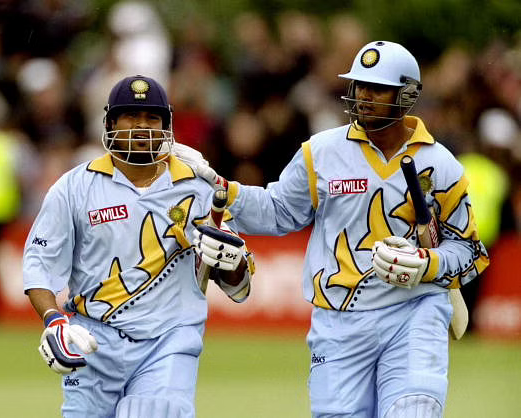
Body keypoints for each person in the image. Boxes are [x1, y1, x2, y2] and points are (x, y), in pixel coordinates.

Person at [185, 41, 489, 417]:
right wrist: (222, 190)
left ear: (406, 94)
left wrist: (425, 263)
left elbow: (469, 252)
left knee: (415, 409)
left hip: (414, 310)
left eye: (377, 88)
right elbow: (278, 211)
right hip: (339, 319)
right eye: (359, 85)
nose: (363, 95)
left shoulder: (440, 164)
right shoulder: (321, 152)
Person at [23, 75, 253, 418]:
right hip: (92, 340)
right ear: (110, 122)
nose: (141, 127)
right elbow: (39, 265)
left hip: (169, 339)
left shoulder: (199, 188)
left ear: (166, 127)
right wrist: (54, 320)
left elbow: (238, 287)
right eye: (130, 116)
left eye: (152, 118)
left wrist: (231, 261)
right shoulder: (74, 187)